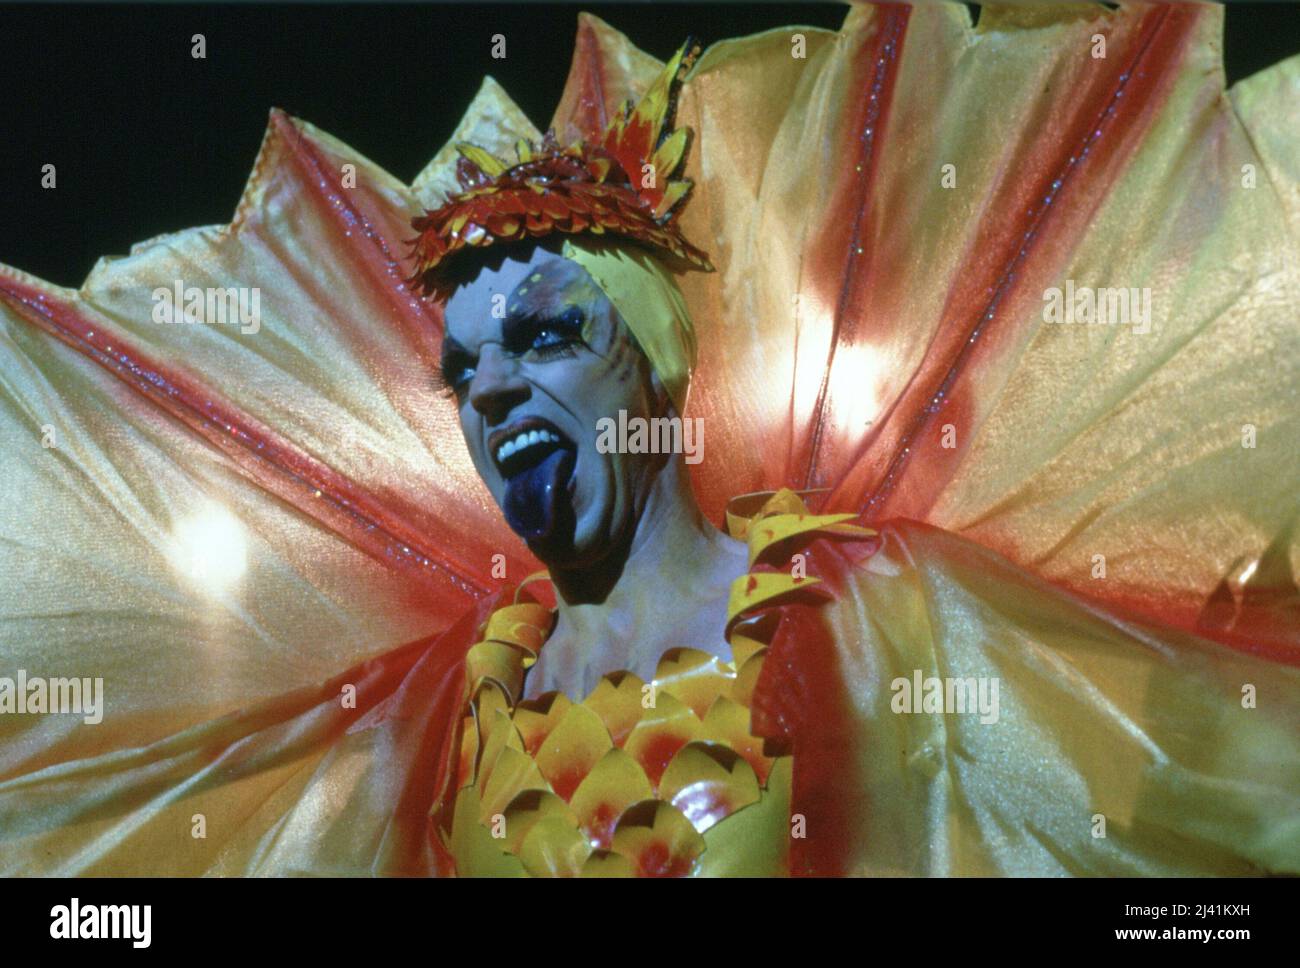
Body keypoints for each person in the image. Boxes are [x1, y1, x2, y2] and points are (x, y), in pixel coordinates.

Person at [0, 3, 1297, 877]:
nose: (495, 389)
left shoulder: (879, 609)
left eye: (550, 340)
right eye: (465, 370)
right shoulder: (443, 707)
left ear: (660, 367)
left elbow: (1218, 784)